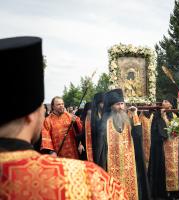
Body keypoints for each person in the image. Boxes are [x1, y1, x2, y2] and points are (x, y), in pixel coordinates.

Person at [0, 36, 127, 199]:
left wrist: (77, 124)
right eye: (57, 104)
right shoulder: (87, 178)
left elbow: (82, 131)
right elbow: (45, 136)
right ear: (32, 115)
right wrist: (51, 151)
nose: (61, 106)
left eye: (62, 104)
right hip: (58, 155)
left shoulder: (70, 116)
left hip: (72, 152)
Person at [96, 89, 151, 200]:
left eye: (122, 104)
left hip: (130, 164)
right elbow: (101, 146)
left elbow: (138, 136)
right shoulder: (105, 122)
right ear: (111, 106)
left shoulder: (129, 119)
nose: (121, 107)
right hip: (112, 164)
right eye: (117, 104)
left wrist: (135, 115)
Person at [148, 97, 179, 200]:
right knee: (162, 170)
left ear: (171, 105)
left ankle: (175, 193)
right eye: (163, 101)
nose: (163, 102)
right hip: (162, 148)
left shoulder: (175, 115)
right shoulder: (156, 115)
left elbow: (178, 132)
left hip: (175, 149)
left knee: (176, 170)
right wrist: (161, 117)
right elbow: (157, 132)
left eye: (166, 101)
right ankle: (163, 193)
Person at [91, 92, 104, 162]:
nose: (104, 105)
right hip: (96, 146)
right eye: (102, 103)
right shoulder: (93, 117)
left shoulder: (105, 114)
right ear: (98, 104)